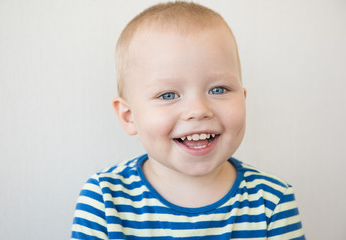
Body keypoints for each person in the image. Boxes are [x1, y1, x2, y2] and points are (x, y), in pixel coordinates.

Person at [71, 1, 305, 239]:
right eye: (168, 95)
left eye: (219, 89)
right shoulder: (104, 199)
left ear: (243, 99)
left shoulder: (272, 201)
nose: (198, 110)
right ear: (129, 116)